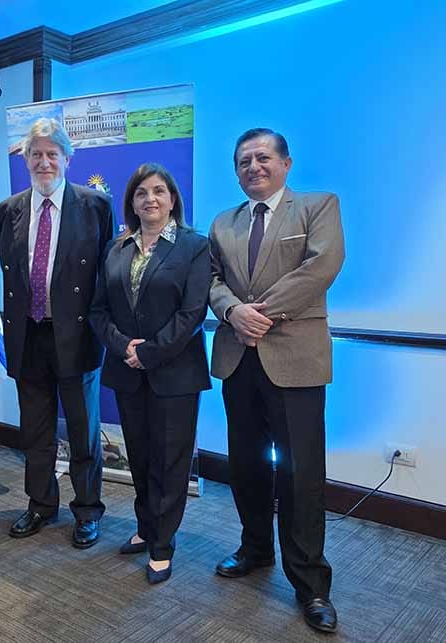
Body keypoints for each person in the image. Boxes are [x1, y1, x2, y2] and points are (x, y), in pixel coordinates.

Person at [208, 128, 345, 632]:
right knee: (245, 465)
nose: (253, 167)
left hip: (295, 358)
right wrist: (230, 311)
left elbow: (322, 266)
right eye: (243, 160)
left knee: (300, 474)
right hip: (238, 359)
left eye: (263, 157)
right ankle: (255, 548)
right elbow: (210, 280)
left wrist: (258, 314)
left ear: (286, 163)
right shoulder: (223, 222)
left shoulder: (317, 206)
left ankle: (310, 584)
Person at [0, 118, 113, 548]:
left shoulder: (95, 206)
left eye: (52, 153)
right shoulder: (6, 212)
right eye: (36, 154)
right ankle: (41, 504)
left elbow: (103, 273)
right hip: (29, 337)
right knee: (36, 432)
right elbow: (14, 279)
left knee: (82, 430)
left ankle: (87, 511)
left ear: (67, 158)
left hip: (77, 336)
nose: (44, 161)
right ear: (25, 159)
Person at [90, 163, 211, 583]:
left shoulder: (195, 246)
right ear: (132, 203)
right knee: (140, 457)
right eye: (141, 193)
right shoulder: (116, 247)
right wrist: (125, 347)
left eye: (159, 191)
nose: (150, 199)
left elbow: (193, 312)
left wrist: (152, 352)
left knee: (170, 461)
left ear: (172, 198)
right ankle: (146, 527)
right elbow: (98, 310)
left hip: (175, 373)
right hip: (128, 370)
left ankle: (163, 543)